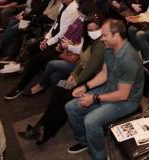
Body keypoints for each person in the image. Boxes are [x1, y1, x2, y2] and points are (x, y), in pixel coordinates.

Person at [17, 14, 105, 145]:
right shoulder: (89, 41)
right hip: (81, 76)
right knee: (60, 88)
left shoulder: (101, 44)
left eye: (95, 29)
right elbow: (82, 61)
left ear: (101, 28)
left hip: (92, 80)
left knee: (65, 97)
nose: (92, 32)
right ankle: (41, 128)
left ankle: (44, 130)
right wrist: (73, 74)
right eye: (90, 30)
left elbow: (90, 69)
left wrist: (76, 80)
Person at [65, 19, 144, 160]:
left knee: (91, 121)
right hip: (109, 89)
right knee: (71, 107)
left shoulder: (129, 59)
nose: (102, 38)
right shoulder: (109, 48)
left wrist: (94, 98)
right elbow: (104, 74)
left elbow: (123, 95)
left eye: (105, 35)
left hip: (127, 101)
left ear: (117, 35)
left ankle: (100, 157)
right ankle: (86, 142)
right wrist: (86, 87)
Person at [4, 0, 80, 100]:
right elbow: (56, 24)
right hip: (54, 38)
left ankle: (21, 86)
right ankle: (25, 70)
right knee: (32, 48)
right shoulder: (63, 6)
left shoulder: (73, 10)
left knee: (38, 58)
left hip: (61, 42)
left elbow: (63, 33)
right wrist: (46, 38)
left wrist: (48, 42)